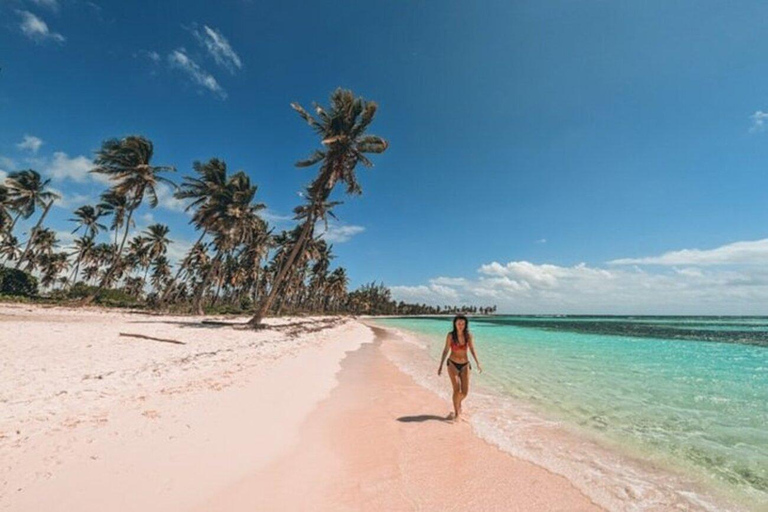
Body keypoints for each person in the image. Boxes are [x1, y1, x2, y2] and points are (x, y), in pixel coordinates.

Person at [437, 314, 482, 422]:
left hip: (465, 365)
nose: (460, 325)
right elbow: (445, 350)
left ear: (465, 324)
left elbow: (472, 349)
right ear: (455, 324)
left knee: (465, 392)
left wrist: (477, 363)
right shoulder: (450, 336)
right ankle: (457, 413)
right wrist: (441, 365)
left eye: (462, 323)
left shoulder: (468, 336)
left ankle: (458, 403)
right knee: (456, 390)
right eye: (458, 323)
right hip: (452, 364)